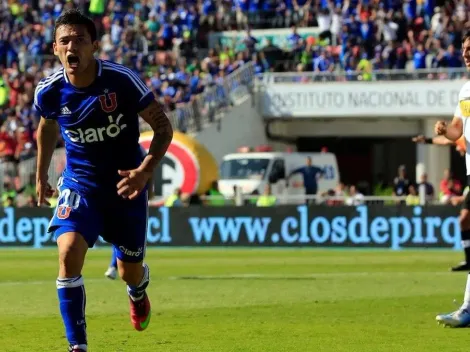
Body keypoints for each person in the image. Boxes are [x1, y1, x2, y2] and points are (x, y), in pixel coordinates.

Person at [34, 9, 173, 352]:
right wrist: (41, 175)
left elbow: (163, 127)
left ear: (94, 45)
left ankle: (138, 291)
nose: (72, 46)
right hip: (80, 184)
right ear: (55, 48)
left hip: (127, 185)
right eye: (65, 41)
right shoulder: (49, 92)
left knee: (129, 272)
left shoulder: (121, 80)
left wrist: (145, 170)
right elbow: (47, 125)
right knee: (67, 253)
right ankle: (77, 346)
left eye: (80, 40)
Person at [434, 31, 470, 327]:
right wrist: (446, 129)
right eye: (464, 49)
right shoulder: (465, 90)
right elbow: (459, 129)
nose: (466, 53)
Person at [105, 146, 153, 281]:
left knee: (121, 238)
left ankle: (114, 267)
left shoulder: (136, 148)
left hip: (131, 195)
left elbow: (148, 170)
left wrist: (149, 190)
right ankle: (113, 267)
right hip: (109, 194)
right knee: (117, 237)